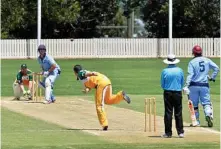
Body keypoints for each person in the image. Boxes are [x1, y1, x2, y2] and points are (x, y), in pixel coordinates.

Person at [73, 64, 131, 131]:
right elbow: (89, 85)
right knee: (108, 100)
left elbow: (85, 74)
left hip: (100, 84)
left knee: (99, 105)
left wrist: (92, 73)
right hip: (106, 81)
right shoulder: (82, 78)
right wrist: (86, 90)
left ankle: (104, 124)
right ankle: (121, 95)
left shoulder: (80, 73)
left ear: (75, 72)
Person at [183, 45, 219, 127]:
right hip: (204, 85)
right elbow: (217, 68)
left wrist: (186, 85)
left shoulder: (192, 62)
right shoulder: (207, 60)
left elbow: (190, 74)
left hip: (193, 85)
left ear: (193, 53)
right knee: (206, 103)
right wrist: (212, 77)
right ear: (201, 52)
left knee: (194, 105)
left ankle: (197, 121)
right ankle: (208, 114)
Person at [161, 54, 184, 138]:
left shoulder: (164, 71)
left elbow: (162, 84)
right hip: (177, 92)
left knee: (168, 112)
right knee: (178, 112)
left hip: (168, 93)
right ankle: (180, 132)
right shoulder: (180, 70)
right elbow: (182, 82)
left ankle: (168, 133)